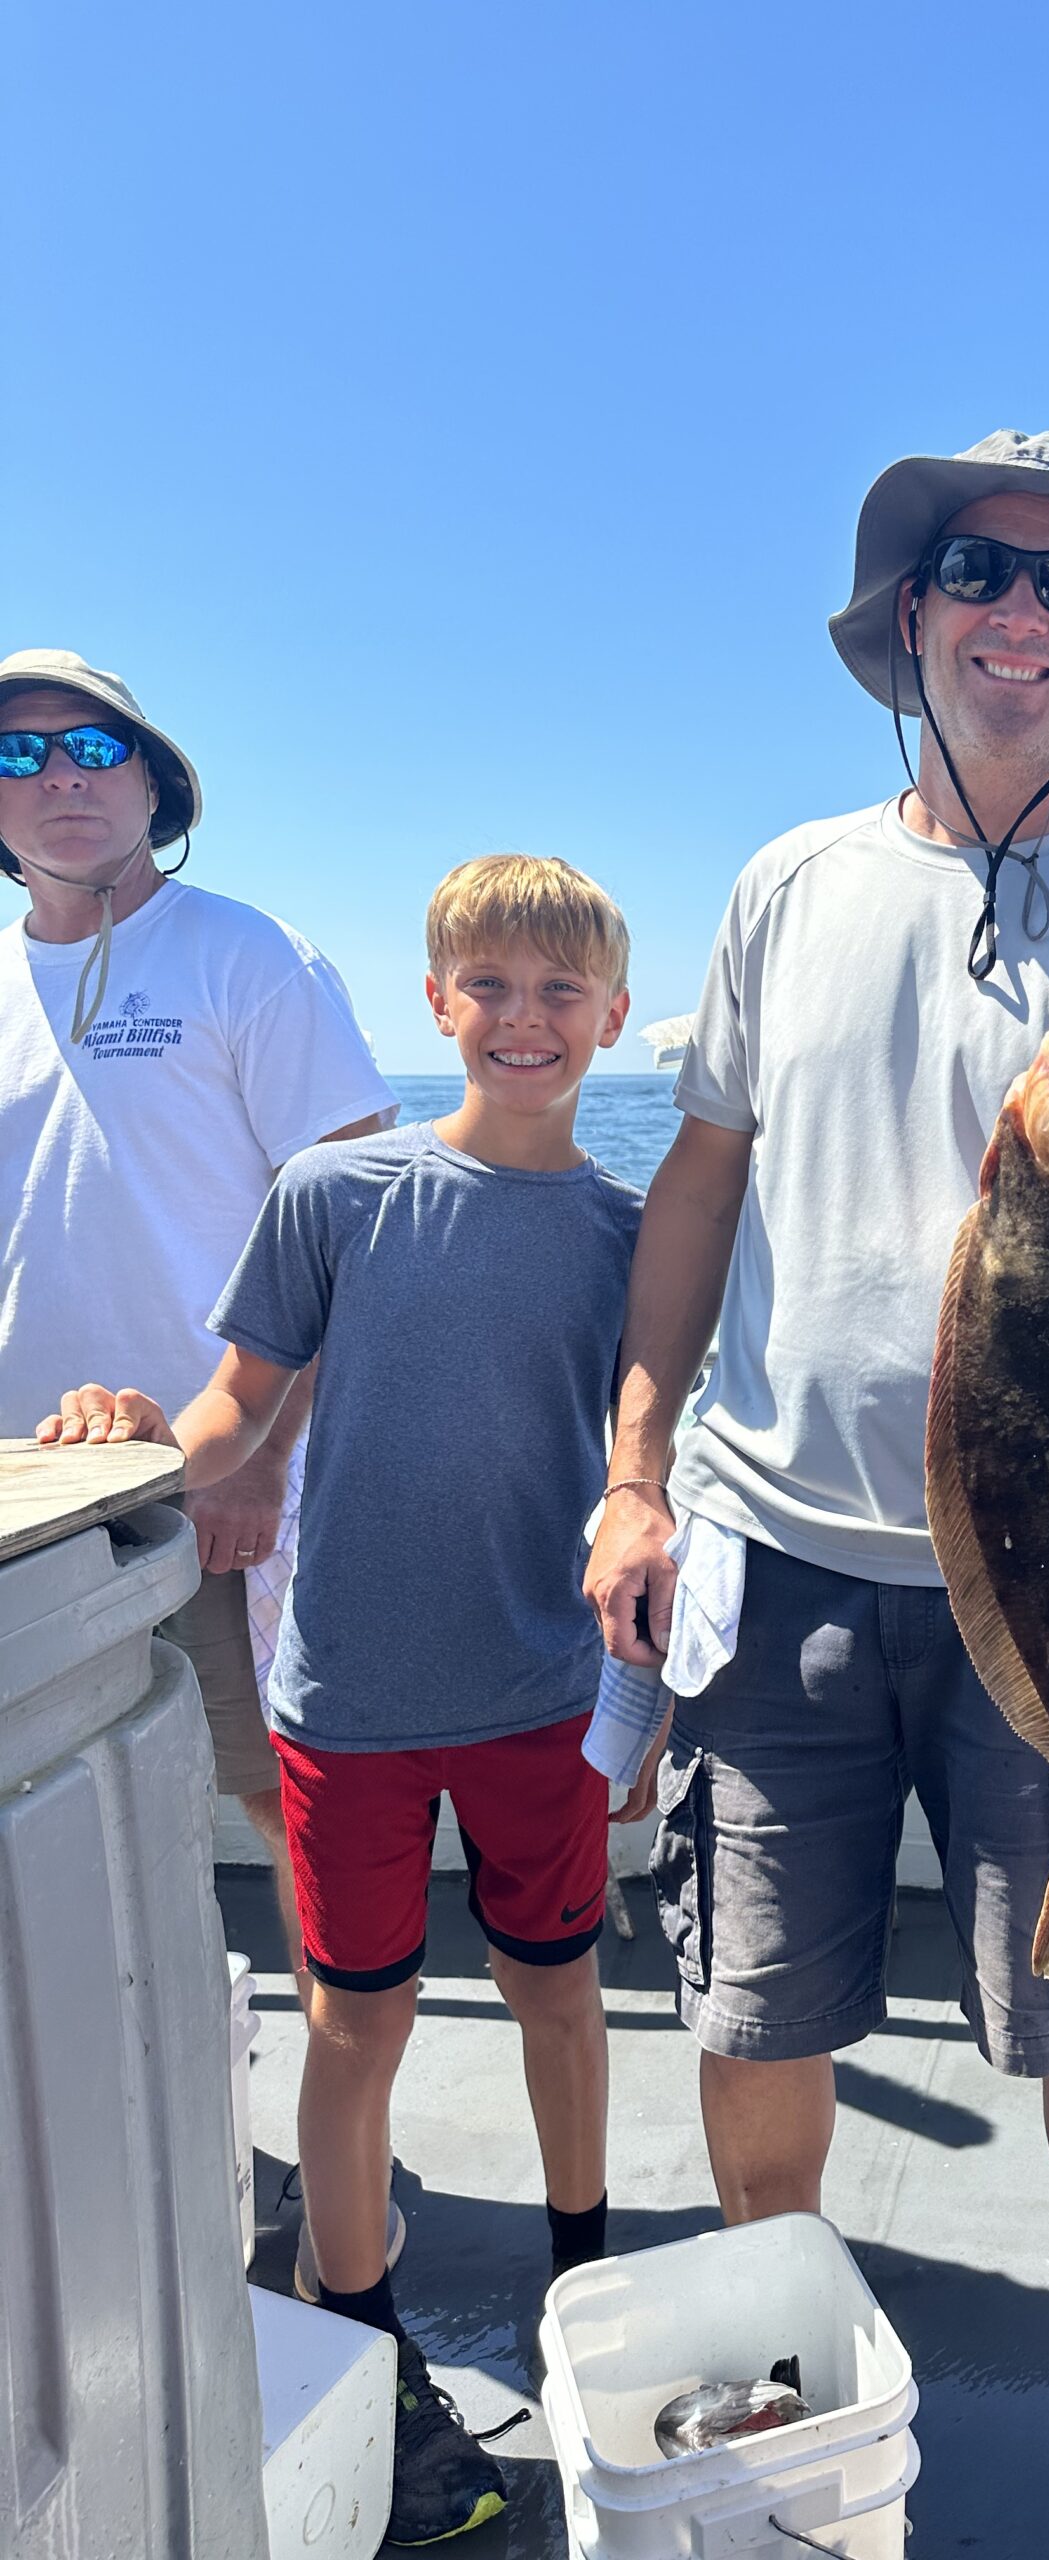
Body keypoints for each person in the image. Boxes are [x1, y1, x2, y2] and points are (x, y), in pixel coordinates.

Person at [585, 430, 1049, 2560]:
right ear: (913, 618)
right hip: (781, 1559)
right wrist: (634, 1466)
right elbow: (702, 1177)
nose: (1025, 614)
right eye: (983, 571)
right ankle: (783, 2417)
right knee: (753, 2013)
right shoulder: (787, 882)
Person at [42, 853, 642, 2547]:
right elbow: (238, 1401)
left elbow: (650, 1469)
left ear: (609, 1015)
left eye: (559, 993)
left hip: (540, 1693)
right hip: (343, 1705)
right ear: (436, 1000)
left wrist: (642, 1695)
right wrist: (138, 1437)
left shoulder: (625, 1233)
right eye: (491, 987)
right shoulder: (337, 1197)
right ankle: (363, 2330)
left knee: (560, 2000)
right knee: (353, 2023)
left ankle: (579, 2278)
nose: (525, 1020)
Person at [0, 649, 394, 2002]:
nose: (58, 777)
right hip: (31, 1502)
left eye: (93, 750)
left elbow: (356, 1221)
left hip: (219, 1490)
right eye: (19, 756)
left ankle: (353, 2165)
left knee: (288, 1812)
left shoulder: (249, 956)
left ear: (155, 782)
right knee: (55, 1811)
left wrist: (266, 1462)